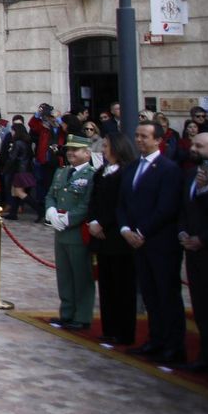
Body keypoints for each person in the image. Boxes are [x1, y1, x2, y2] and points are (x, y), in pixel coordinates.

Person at [119, 120, 187, 364]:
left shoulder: (169, 168)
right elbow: (124, 202)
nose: (139, 140)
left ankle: (174, 344)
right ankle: (155, 339)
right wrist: (125, 228)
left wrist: (141, 231)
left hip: (160, 242)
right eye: (137, 135)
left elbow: (167, 207)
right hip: (137, 241)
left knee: (167, 294)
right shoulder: (132, 167)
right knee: (149, 294)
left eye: (144, 136)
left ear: (158, 140)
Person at [180, 131, 208, 376]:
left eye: (199, 146)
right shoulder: (189, 174)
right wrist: (184, 234)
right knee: (202, 308)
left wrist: (203, 239)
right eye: (193, 144)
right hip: (193, 252)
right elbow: (185, 209)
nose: (193, 148)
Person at [87, 132, 137, 346]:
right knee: (106, 284)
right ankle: (109, 328)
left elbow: (121, 203)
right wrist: (92, 221)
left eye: (106, 146)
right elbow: (95, 199)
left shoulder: (126, 172)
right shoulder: (102, 172)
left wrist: (103, 223)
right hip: (101, 235)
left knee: (122, 286)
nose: (103, 150)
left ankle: (124, 331)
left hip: (117, 235)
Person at [46, 134, 99, 330]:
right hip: (60, 232)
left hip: (78, 232)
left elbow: (87, 203)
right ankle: (66, 312)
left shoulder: (91, 175)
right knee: (65, 274)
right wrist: (51, 212)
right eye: (68, 150)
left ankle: (82, 315)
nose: (70, 153)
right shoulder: (61, 172)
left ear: (87, 153)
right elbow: (51, 194)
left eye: (75, 150)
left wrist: (69, 218)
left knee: (81, 274)